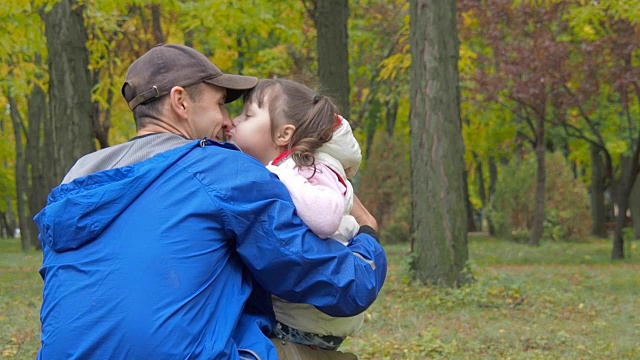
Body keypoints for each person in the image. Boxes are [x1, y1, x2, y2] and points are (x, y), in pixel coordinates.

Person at [34, 44, 386, 360]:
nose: (228, 121)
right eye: (220, 104)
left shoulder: (77, 180)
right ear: (180, 102)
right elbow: (343, 286)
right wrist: (367, 234)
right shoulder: (220, 170)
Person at [227, 79, 367, 352]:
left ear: (283, 134)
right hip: (303, 311)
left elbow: (325, 220)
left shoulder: (306, 168)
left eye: (247, 115)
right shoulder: (290, 167)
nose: (233, 121)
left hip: (311, 319)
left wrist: (279, 175)